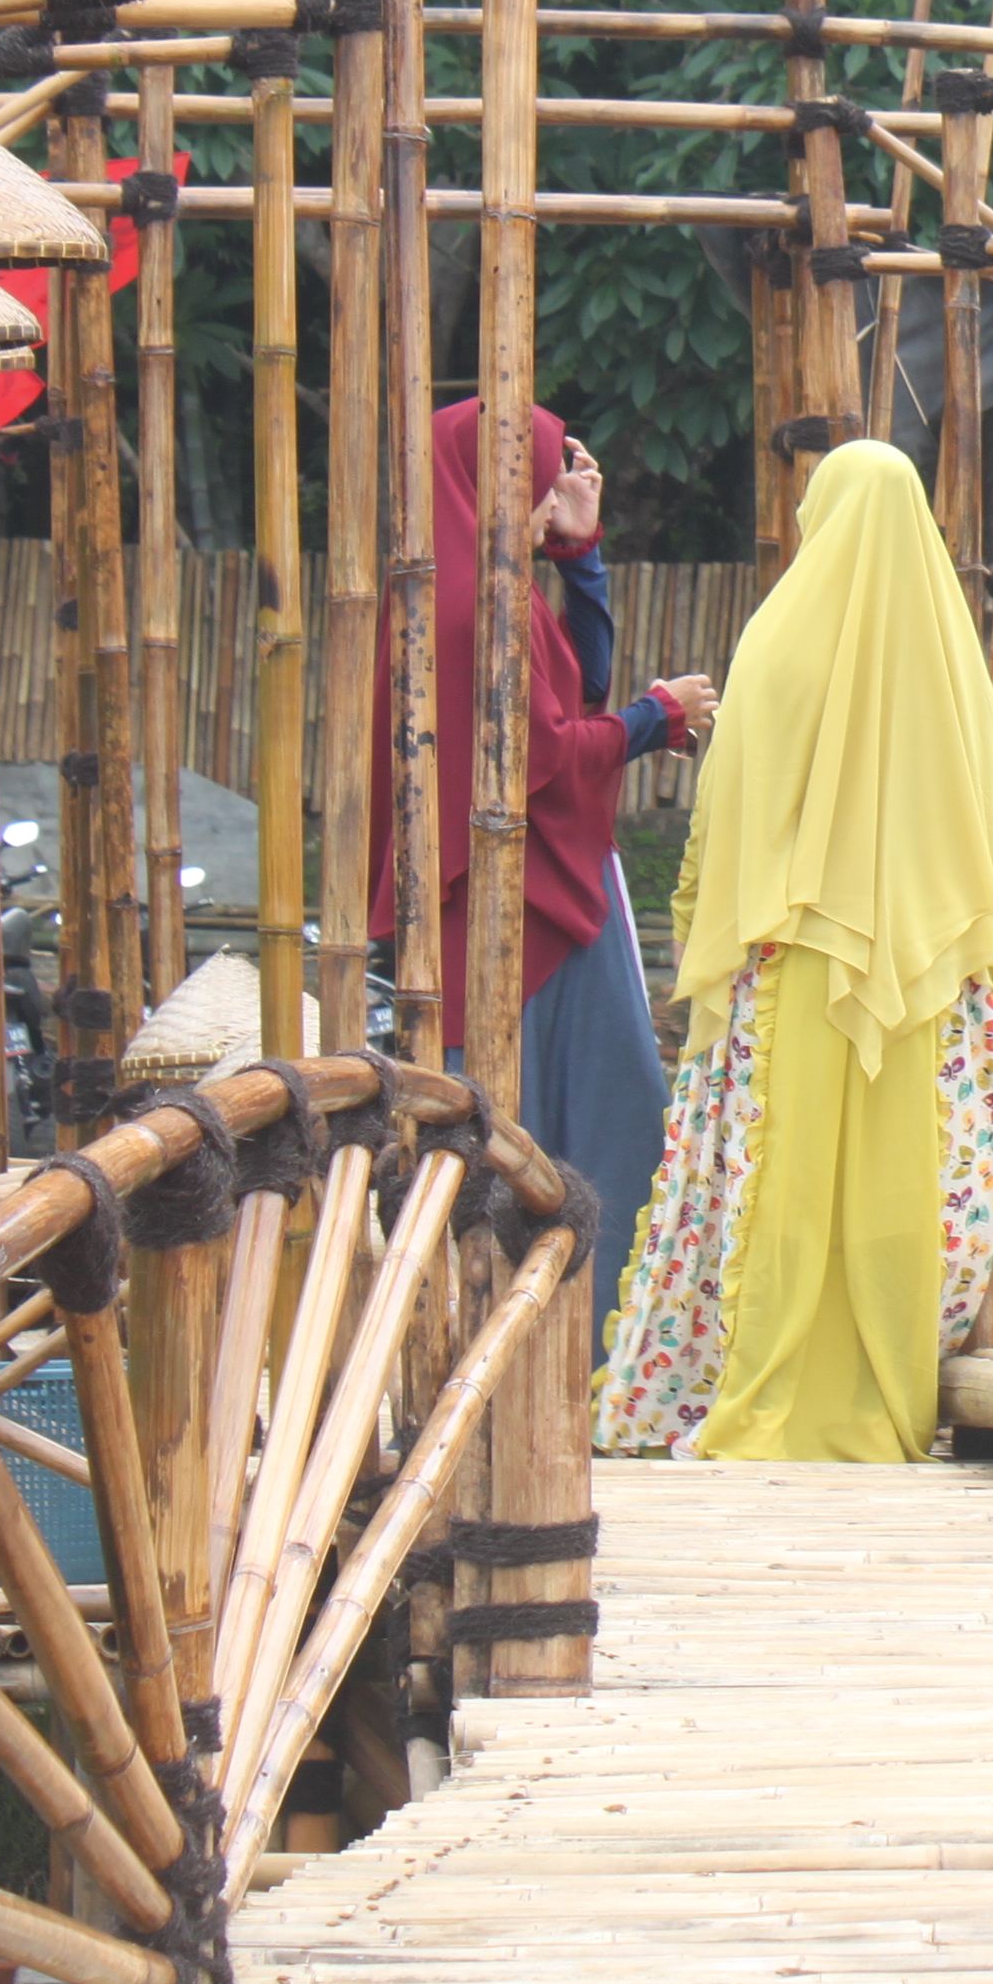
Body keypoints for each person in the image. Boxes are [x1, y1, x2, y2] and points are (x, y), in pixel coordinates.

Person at [596, 441, 993, 1461]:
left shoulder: (778, 643)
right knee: (906, 1179)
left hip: (785, 964)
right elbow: (973, 830)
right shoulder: (956, 662)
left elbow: (730, 807)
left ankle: (764, 1377)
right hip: (921, 977)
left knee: (774, 1174)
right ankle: (883, 1387)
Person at [393, 402, 709, 1327]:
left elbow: (578, 687)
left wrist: (581, 553)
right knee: (590, 1126)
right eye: (536, 485)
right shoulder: (466, 604)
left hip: (546, 889)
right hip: (520, 906)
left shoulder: (494, 588)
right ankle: (595, 1340)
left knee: (583, 1122)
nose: (546, 504)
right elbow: (535, 757)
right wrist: (654, 718)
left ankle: (586, 1341)